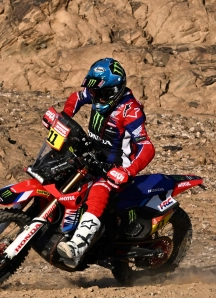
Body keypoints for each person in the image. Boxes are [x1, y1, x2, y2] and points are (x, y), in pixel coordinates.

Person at [56, 58, 155, 264]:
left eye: (102, 93)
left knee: (98, 191)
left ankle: (77, 247)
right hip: (93, 154)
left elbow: (147, 146)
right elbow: (76, 97)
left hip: (118, 166)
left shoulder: (131, 110)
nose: (97, 97)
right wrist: (62, 119)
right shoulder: (95, 92)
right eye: (95, 92)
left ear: (115, 90)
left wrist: (128, 171)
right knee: (59, 170)